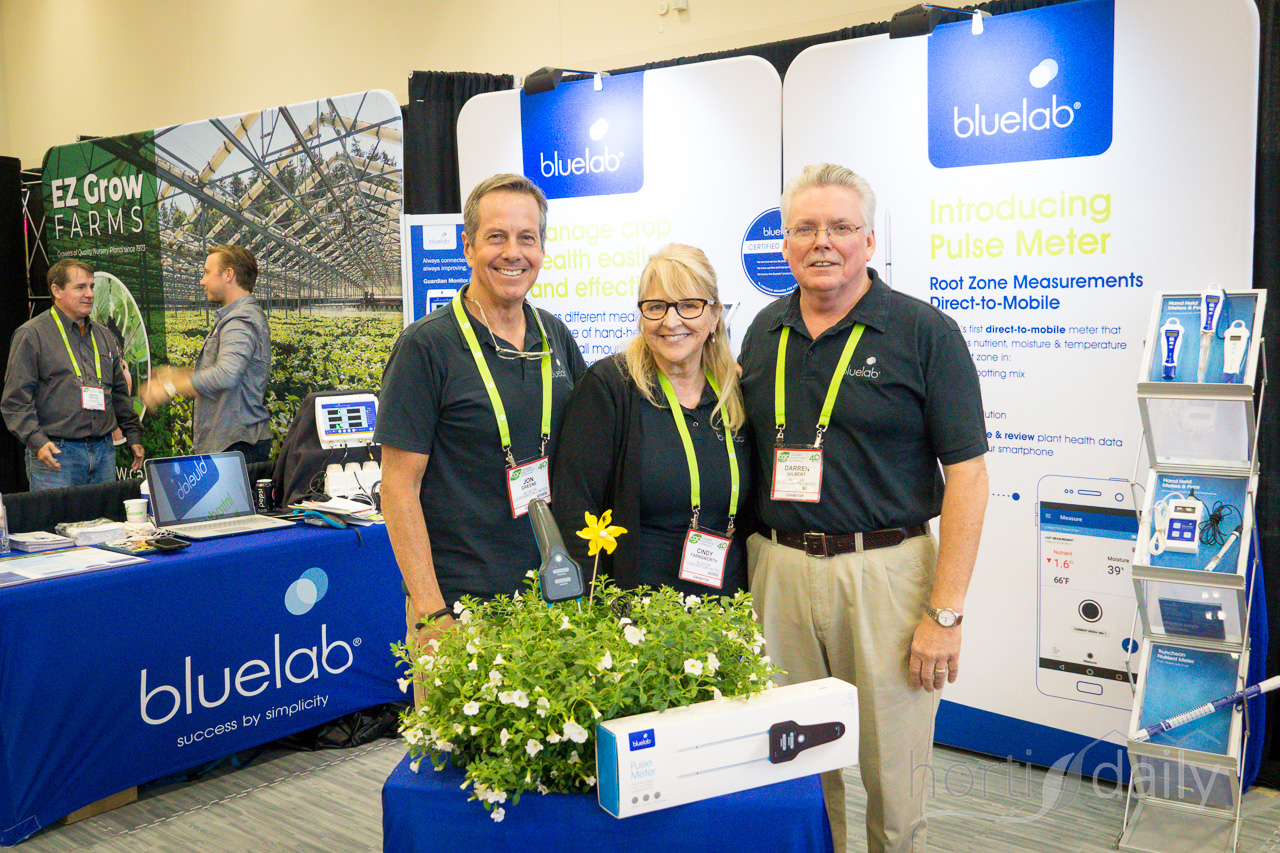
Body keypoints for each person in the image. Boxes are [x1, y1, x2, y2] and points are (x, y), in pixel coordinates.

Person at [738, 164, 988, 853]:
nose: (822, 242)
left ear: (870, 240)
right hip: (780, 570)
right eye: (805, 228)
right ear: (785, 244)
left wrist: (945, 613)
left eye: (840, 227)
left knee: (894, 783)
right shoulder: (762, 331)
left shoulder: (923, 332)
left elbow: (969, 477)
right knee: (791, 773)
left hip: (887, 574)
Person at [375, 173, 587, 686]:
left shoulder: (554, 336)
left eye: (526, 238)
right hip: (460, 611)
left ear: (542, 249)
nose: (512, 253)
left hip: (552, 597)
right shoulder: (427, 346)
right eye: (496, 237)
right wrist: (430, 611)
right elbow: (398, 488)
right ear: (468, 246)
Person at [552, 244, 751, 597]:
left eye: (689, 305)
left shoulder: (734, 390)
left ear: (715, 314)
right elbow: (575, 511)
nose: (671, 322)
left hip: (726, 607)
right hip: (639, 612)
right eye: (656, 307)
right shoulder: (609, 388)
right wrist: (595, 608)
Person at [2, 259, 145, 489]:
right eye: (80, 287)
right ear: (56, 290)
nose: (89, 294)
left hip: (103, 452)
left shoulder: (104, 336)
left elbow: (119, 393)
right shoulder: (32, 335)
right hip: (56, 455)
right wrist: (37, 442)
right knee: (57, 515)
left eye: (91, 287)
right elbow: (15, 401)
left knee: (103, 514)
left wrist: (133, 434)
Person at [142, 244, 273, 462]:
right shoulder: (237, 318)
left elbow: (226, 374)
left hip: (236, 444)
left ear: (228, 275)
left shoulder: (241, 320)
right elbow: (226, 373)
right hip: (232, 442)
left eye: (206, 272)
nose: (202, 281)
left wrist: (169, 388)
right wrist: (179, 375)